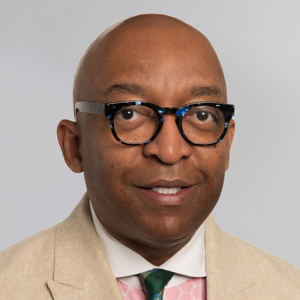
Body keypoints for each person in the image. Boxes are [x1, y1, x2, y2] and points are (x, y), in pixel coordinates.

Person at [0, 14, 299, 300]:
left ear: (228, 143)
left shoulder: (288, 290)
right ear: (75, 146)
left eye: (202, 114)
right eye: (129, 114)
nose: (169, 152)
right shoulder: (8, 285)